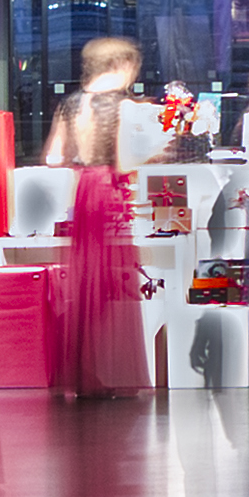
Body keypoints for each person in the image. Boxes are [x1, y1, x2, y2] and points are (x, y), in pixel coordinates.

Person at [47, 36, 150, 398]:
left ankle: (84, 375)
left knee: (85, 279)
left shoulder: (71, 105)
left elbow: (53, 157)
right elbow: (126, 162)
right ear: (123, 65)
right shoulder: (124, 106)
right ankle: (114, 375)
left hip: (84, 190)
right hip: (110, 193)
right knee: (116, 282)